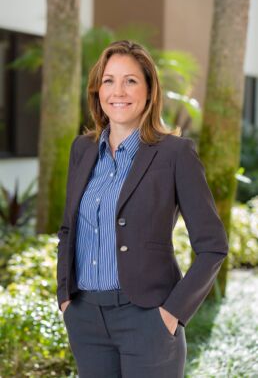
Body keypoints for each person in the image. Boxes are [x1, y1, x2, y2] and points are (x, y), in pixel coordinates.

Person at [57, 40, 228, 378]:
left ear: (150, 91)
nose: (117, 91)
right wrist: (65, 297)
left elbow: (212, 246)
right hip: (86, 319)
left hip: (148, 318)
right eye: (109, 80)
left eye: (131, 80)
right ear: (97, 91)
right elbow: (68, 230)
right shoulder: (83, 150)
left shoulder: (175, 154)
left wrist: (172, 314)